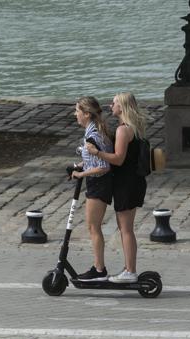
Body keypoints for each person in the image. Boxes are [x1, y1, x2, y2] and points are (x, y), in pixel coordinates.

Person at [85, 92, 147, 283]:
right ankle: (129, 269)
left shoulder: (123, 130)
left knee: (126, 229)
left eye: (114, 103)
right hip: (133, 181)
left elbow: (118, 159)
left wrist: (96, 152)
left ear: (122, 107)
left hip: (126, 183)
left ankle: (130, 271)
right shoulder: (133, 128)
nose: (111, 106)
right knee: (125, 227)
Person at [71, 96, 114, 282]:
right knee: (92, 226)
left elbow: (103, 166)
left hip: (99, 183)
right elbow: (93, 159)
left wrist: (82, 174)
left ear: (87, 114)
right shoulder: (94, 131)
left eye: (77, 111)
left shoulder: (93, 135)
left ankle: (99, 270)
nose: (75, 114)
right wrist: (80, 165)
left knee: (93, 227)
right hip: (98, 182)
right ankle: (98, 268)